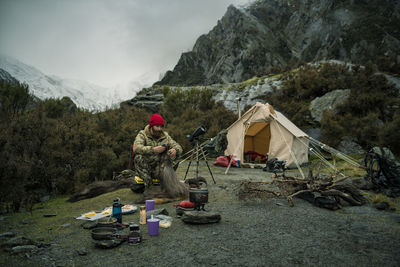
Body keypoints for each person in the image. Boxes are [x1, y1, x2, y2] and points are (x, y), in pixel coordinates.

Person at [132, 114, 182, 189]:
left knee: (177, 155)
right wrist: (153, 150)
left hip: (160, 168)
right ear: (151, 126)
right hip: (147, 168)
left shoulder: (165, 136)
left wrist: (175, 150)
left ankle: (166, 180)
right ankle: (148, 185)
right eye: (157, 126)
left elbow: (178, 146)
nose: (159, 129)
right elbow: (136, 148)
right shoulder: (142, 134)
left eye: (161, 126)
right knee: (138, 157)